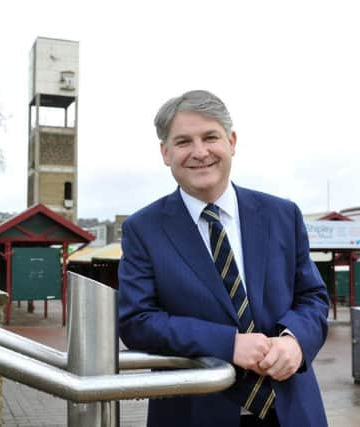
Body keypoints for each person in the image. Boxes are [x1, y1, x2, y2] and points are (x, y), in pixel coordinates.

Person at [118, 90, 329, 427]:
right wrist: (227, 344)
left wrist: (295, 342)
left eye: (210, 137)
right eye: (184, 141)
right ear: (165, 152)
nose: (200, 152)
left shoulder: (283, 215)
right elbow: (137, 320)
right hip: (194, 413)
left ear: (231, 141)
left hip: (291, 412)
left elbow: (313, 298)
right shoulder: (142, 229)